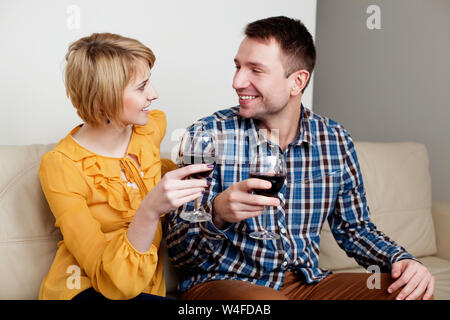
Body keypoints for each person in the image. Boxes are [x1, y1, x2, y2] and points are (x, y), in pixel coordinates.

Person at [166, 16, 435, 300]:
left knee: (412, 294)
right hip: (221, 283)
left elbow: (354, 229)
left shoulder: (334, 139)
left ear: (297, 81)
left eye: (255, 70)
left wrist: (401, 260)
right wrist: (217, 213)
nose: (237, 81)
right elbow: (180, 255)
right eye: (238, 67)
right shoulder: (208, 133)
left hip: (307, 283)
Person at [38, 33, 212, 300]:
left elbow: (159, 169)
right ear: (103, 100)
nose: (154, 94)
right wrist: (150, 209)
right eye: (141, 87)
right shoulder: (61, 166)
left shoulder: (148, 130)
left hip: (147, 289)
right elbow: (112, 282)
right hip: (87, 289)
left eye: (149, 82)